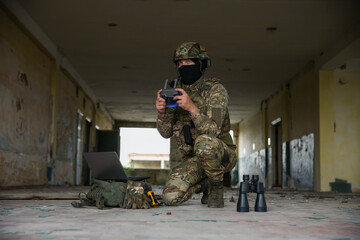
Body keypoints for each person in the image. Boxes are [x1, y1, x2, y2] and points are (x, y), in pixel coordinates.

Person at [155, 42, 237, 208]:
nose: (183, 66)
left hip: (221, 155)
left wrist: (191, 107)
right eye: (180, 63)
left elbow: (213, 130)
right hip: (195, 159)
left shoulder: (215, 90)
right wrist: (161, 113)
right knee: (170, 198)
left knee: (204, 142)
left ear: (201, 64)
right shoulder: (174, 91)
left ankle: (215, 186)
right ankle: (204, 184)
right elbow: (165, 133)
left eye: (188, 62)